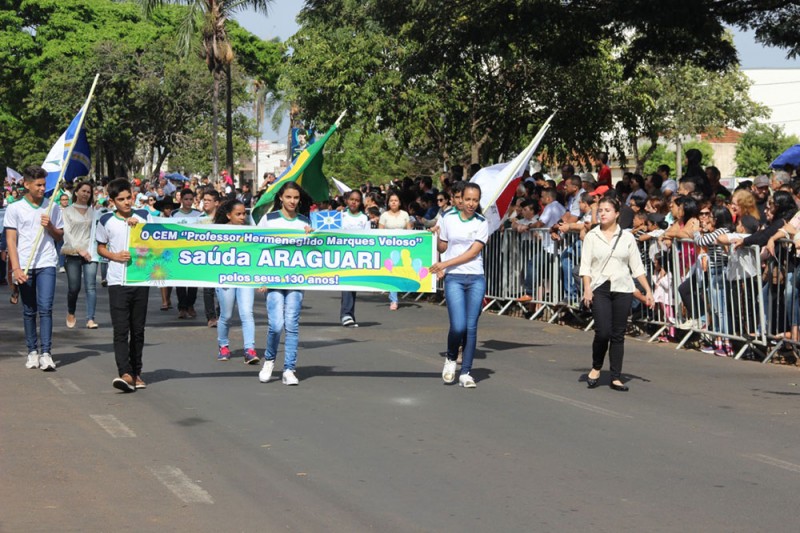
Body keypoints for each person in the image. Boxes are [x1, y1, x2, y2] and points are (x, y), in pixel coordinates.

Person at [580, 196, 654, 391]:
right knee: (603, 331)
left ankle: (615, 376)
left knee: (618, 334)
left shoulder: (627, 237)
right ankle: (596, 366)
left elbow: (637, 267)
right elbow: (585, 266)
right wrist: (587, 289)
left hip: (622, 287)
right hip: (600, 287)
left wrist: (647, 290)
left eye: (607, 210)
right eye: (601, 210)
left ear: (617, 214)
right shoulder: (592, 236)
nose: (603, 213)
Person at [4, 165, 64, 371]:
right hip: (25, 265)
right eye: (38, 184)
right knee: (29, 310)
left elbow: (59, 236)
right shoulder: (14, 208)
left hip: (47, 262)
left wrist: (50, 227)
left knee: (45, 309)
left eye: (44, 184)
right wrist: (16, 269)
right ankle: (32, 351)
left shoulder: (52, 207)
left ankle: (46, 353)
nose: (42, 188)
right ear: (26, 184)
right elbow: (11, 241)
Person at [429, 182, 488, 388]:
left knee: (471, 327)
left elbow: (473, 253)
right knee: (458, 325)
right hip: (454, 278)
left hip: (475, 278)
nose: (471, 204)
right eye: (468, 199)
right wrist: (436, 235)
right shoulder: (447, 218)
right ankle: (451, 358)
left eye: (475, 200)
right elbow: (444, 246)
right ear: (460, 199)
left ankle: (466, 372)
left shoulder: (481, 222)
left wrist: (444, 264)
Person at [96, 178, 151, 392]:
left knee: (138, 329)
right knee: (121, 329)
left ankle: (137, 372)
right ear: (112, 201)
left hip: (140, 279)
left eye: (129, 198)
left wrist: (140, 229)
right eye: (121, 199)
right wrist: (114, 256)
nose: (127, 202)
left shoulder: (145, 216)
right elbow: (100, 248)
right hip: (117, 281)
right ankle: (125, 373)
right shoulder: (106, 220)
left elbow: (159, 242)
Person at [256, 182, 312, 385]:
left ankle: (289, 369)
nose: (292, 201)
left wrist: (311, 236)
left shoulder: (304, 221)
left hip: (296, 278)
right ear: (281, 197)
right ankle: (269, 360)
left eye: (296, 198)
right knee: (276, 324)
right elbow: (257, 247)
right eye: (288, 197)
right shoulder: (269, 220)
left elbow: (311, 253)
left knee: (292, 324)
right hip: (272, 278)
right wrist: (261, 278)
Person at [213, 200, 259, 364]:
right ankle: (223, 345)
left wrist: (260, 278)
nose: (242, 217)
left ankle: (249, 349)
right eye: (238, 214)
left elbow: (257, 256)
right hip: (226, 277)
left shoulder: (251, 232)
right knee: (226, 315)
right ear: (228, 215)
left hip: (245, 278)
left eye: (244, 214)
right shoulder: (218, 232)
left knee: (247, 313)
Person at [61, 180, 98, 330]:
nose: (85, 194)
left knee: (91, 287)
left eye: (88, 192)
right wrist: (79, 249)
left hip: (90, 254)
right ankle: (71, 311)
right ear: (76, 192)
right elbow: (67, 233)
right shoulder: (67, 211)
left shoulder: (93, 212)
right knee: (74, 288)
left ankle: (90, 318)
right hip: (72, 253)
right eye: (83, 191)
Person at [339, 190, 370, 327]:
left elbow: (368, 236)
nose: (354, 202)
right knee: (346, 284)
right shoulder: (341, 216)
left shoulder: (364, 218)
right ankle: (346, 314)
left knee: (353, 285)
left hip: (358, 255)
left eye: (357, 200)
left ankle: (349, 314)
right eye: (351, 199)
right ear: (347, 200)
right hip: (343, 254)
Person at [378, 191, 413, 310]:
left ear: (399, 203)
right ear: (388, 203)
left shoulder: (405, 214)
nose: (393, 202)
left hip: (403, 248)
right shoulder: (384, 216)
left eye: (396, 200)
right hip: (389, 248)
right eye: (391, 200)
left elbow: (410, 231)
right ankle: (394, 300)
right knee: (392, 272)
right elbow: (379, 232)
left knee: (401, 272)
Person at [171, 189, 202, 318]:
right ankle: (182, 307)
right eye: (186, 199)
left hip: (194, 252)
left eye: (191, 199)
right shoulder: (174, 214)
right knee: (180, 282)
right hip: (179, 251)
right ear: (181, 200)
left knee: (193, 282)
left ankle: (191, 305)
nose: (188, 202)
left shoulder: (198, 214)